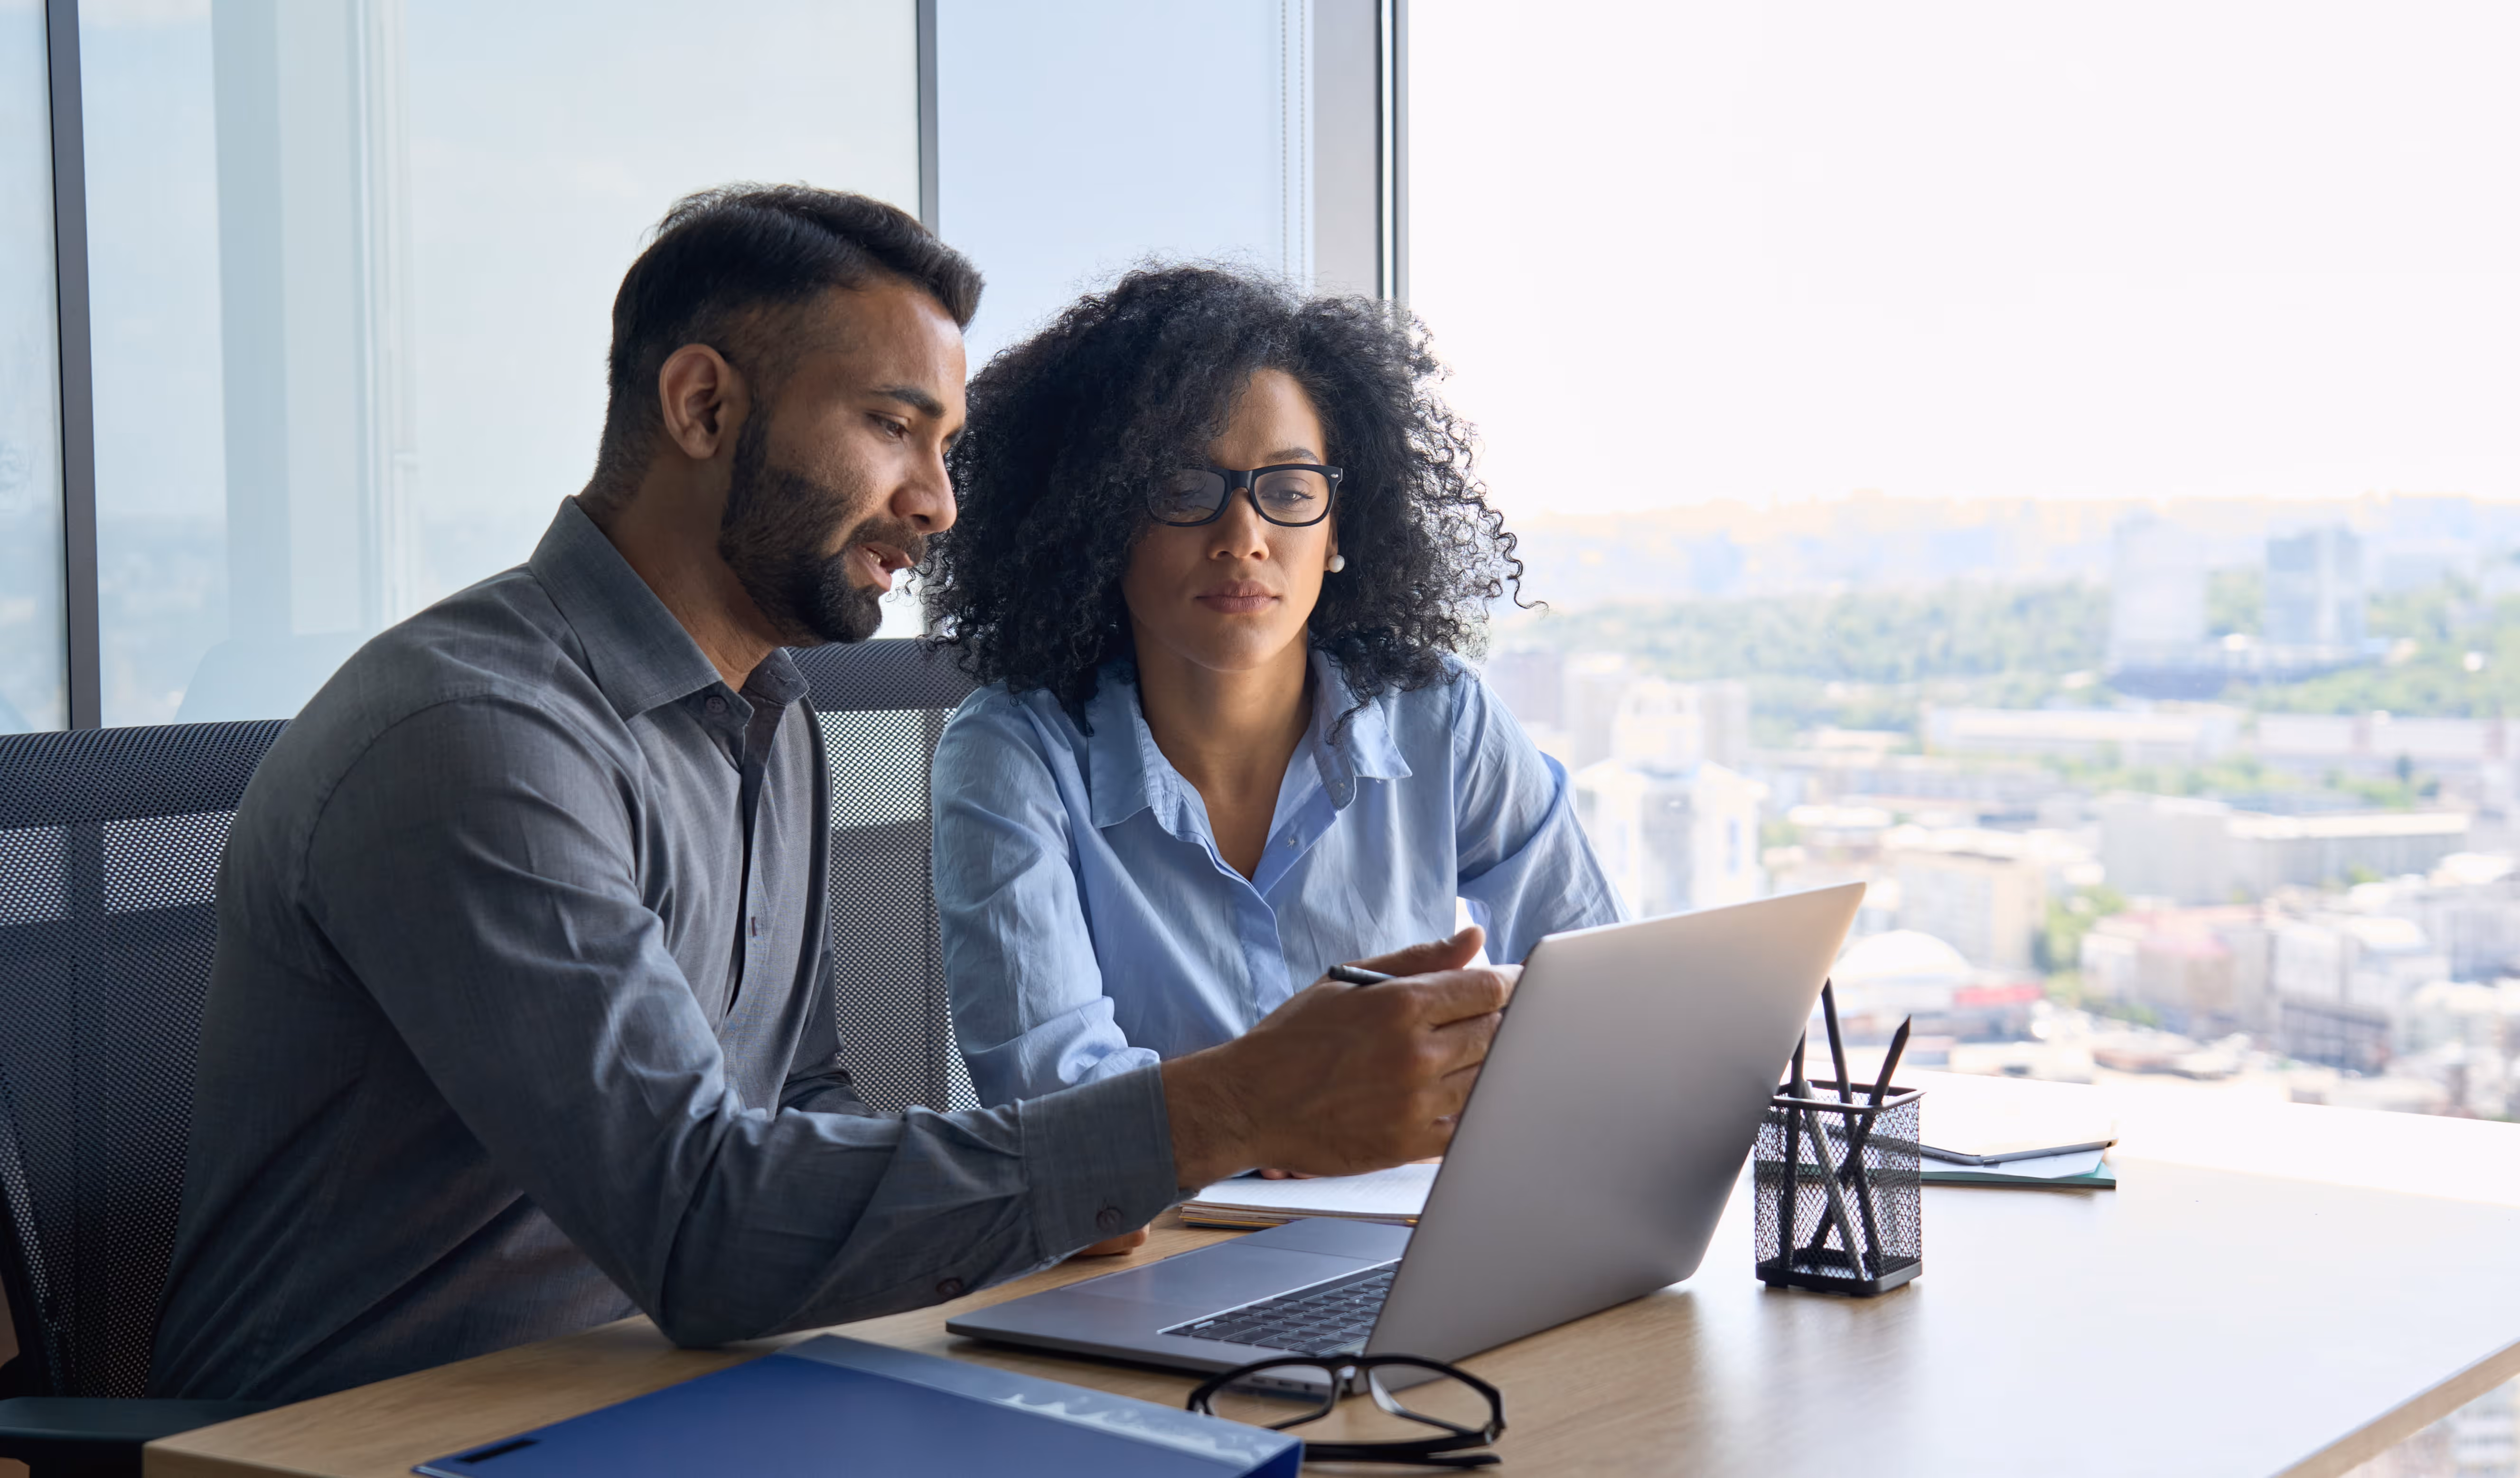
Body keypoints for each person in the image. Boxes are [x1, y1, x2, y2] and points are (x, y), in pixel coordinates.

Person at [148, 188, 1511, 1403]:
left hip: (673, 1389)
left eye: (947, 445)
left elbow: (799, 1101)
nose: (938, 504)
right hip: (377, 1432)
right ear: (702, 407)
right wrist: (1214, 1113)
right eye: (890, 429)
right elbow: (702, 1227)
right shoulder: (478, 738)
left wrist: (1067, 1179)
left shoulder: (769, 716)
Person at [922, 267, 1621, 1246]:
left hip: (1416, 1240)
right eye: (1182, 489)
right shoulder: (1010, 756)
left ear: (1340, 528)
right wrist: (1289, 1112)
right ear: (1099, 520)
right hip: (1141, 1269)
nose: (1242, 536)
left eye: (1289, 491)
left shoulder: (1440, 718)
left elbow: (1593, 995)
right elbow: (1059, 1115)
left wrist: (1268, 1116)